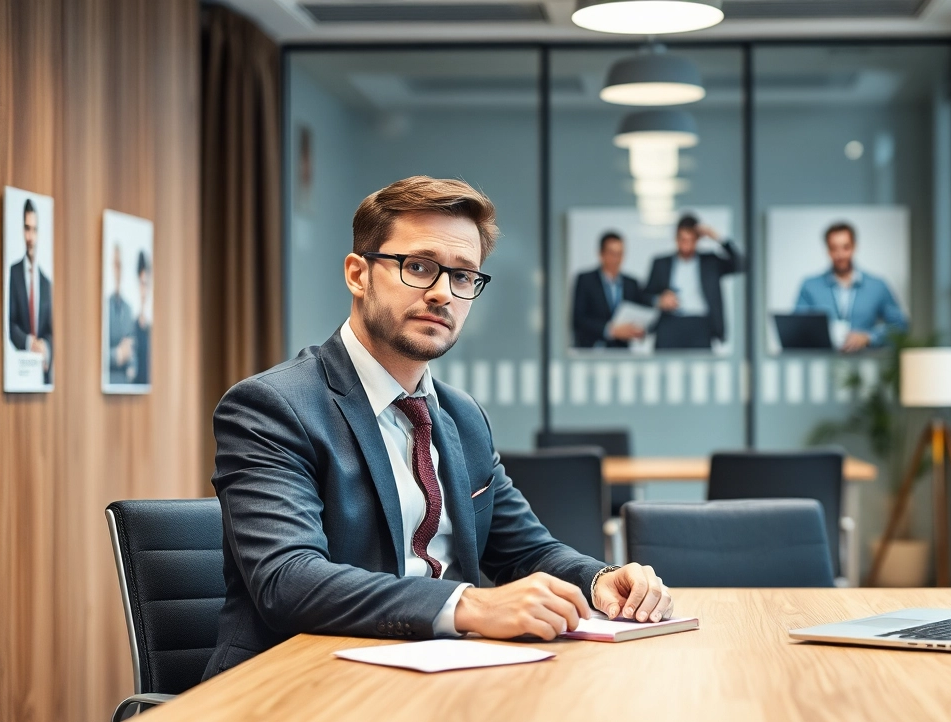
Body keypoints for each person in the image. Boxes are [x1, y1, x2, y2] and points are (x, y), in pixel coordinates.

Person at [203, 176, 673, 680]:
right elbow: (288, 581)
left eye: (464, 276)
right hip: (294, 686)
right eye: (418, 267)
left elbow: (526, 551)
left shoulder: (462, 416)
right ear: (358, 275)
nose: (442, 293)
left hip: (444, 677)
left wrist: (599, 577)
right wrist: (468, 606)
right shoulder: (273, 407)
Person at [792, 221, 907, 353]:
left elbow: (900, 326)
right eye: (834, 248)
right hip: (822, 364)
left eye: (845, 247)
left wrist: (869, 337)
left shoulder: (877, 286)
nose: (840, 255)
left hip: (866, 363)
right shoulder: (810, 286)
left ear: (854, 247)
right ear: (827, 250)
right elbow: (798, 328)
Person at [642, 214, 743, 349]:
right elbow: (644, 295)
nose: (686, 245)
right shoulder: (661, 263)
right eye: (682, 239)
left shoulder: (710, 262)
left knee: (701, 368)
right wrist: (659, 300)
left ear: (697, 240)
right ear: (676, 239)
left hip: (700, 325)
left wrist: (718, 238)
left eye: (691, 240)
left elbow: (742, 264)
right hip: (669, 323)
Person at [571, 231, 646, 349]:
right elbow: (578, 320)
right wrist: (610, 330)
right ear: (601, 254)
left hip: (622, 351)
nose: (616, 259)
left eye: (620, 254)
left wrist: (638, 330)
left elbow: (642, 313)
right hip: (593, 349)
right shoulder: (585, 280)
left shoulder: (631, 284)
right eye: (612, 253)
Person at [7, 198, 53, 384]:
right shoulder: (13, 272)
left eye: (34, 230)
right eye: (27, 229)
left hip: (42, 374)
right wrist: (29, 343)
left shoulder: (45, 282)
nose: (30, 237)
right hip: (19, 370)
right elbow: (9, 323)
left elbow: (50, 330)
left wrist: (45, 349)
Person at [107, 243, 138, 384]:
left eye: (119, 266)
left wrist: (132, 363)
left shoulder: (128, 308)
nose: (117, 271)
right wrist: (116, 355)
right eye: (114, 265)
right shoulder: (104, 306)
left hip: (125, 385)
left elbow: (133, 349)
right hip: (108, 381)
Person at [132, 251, 152, 385]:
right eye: (141, 284)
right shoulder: (133, 324)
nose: (143, 290)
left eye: (146, 284)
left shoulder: (152, 327)